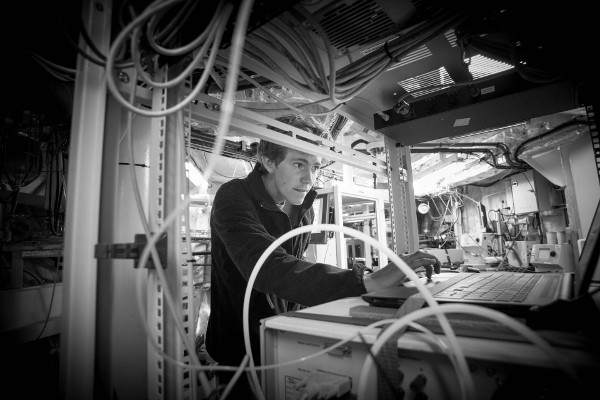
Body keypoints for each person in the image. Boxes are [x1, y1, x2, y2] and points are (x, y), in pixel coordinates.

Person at [205, 114, 441, 399]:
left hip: (284, 342)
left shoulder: (304, 208)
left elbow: (297, 272)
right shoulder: (233, 197)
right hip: (241, 353)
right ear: (268, 161)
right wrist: (365, 282)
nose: (309, 178)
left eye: (315, 166)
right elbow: (267, 267)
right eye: (298, 164)